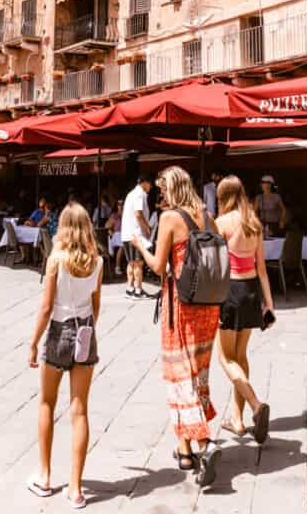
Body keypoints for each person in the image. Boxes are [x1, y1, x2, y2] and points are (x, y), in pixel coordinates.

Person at [132, 166, 221, 487]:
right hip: (208, 306)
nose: (162, 197)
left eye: (164, 191)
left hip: (180, 306)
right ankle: (185, 451)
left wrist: (140, 244)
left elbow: (158, 266)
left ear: (173, 189)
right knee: (197, 374)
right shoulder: (207, 215)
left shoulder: (172, 218)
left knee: (178, 376)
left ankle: (204, 444)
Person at [28, 203, 103, 509]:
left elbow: (46, 307)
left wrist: (33, 342)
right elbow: (96, 304)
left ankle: (45, 476)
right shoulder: (97, 261)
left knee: (47, 401)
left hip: (59, 329)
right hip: (85, 329)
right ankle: (75, 488)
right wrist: (87, 328)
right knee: (80, 410)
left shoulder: (56, 259)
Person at [215, 175, 273, 442]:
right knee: (241, 355)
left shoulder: (222, 223)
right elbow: (261, 268)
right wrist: (268, 304)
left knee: (225, 358)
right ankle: (237, 420)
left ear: (224, 197)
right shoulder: (255, 223)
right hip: (251, 292)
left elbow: (214, 267)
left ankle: (255, 405)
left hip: (230, 292)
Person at [121, 174, 153, 300]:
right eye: (150, 184)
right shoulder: (140, 194)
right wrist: (147, 227)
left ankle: (130, 288)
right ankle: (138, 290)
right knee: (139, 264)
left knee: (131, 263)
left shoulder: (130, 193)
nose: (150, 187)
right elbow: (138, 214)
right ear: (144, 183)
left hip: (127, 233)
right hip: (136, 233)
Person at [106, 201, 125, 275]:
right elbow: (107, 226)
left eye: (122, 204)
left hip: (125, 235)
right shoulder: (114, 215)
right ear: (117, 206)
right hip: (116, 235)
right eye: (119, 204)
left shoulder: (127, 214)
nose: (121, 206)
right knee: (123, 245)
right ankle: (117, 267)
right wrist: (110, 230)